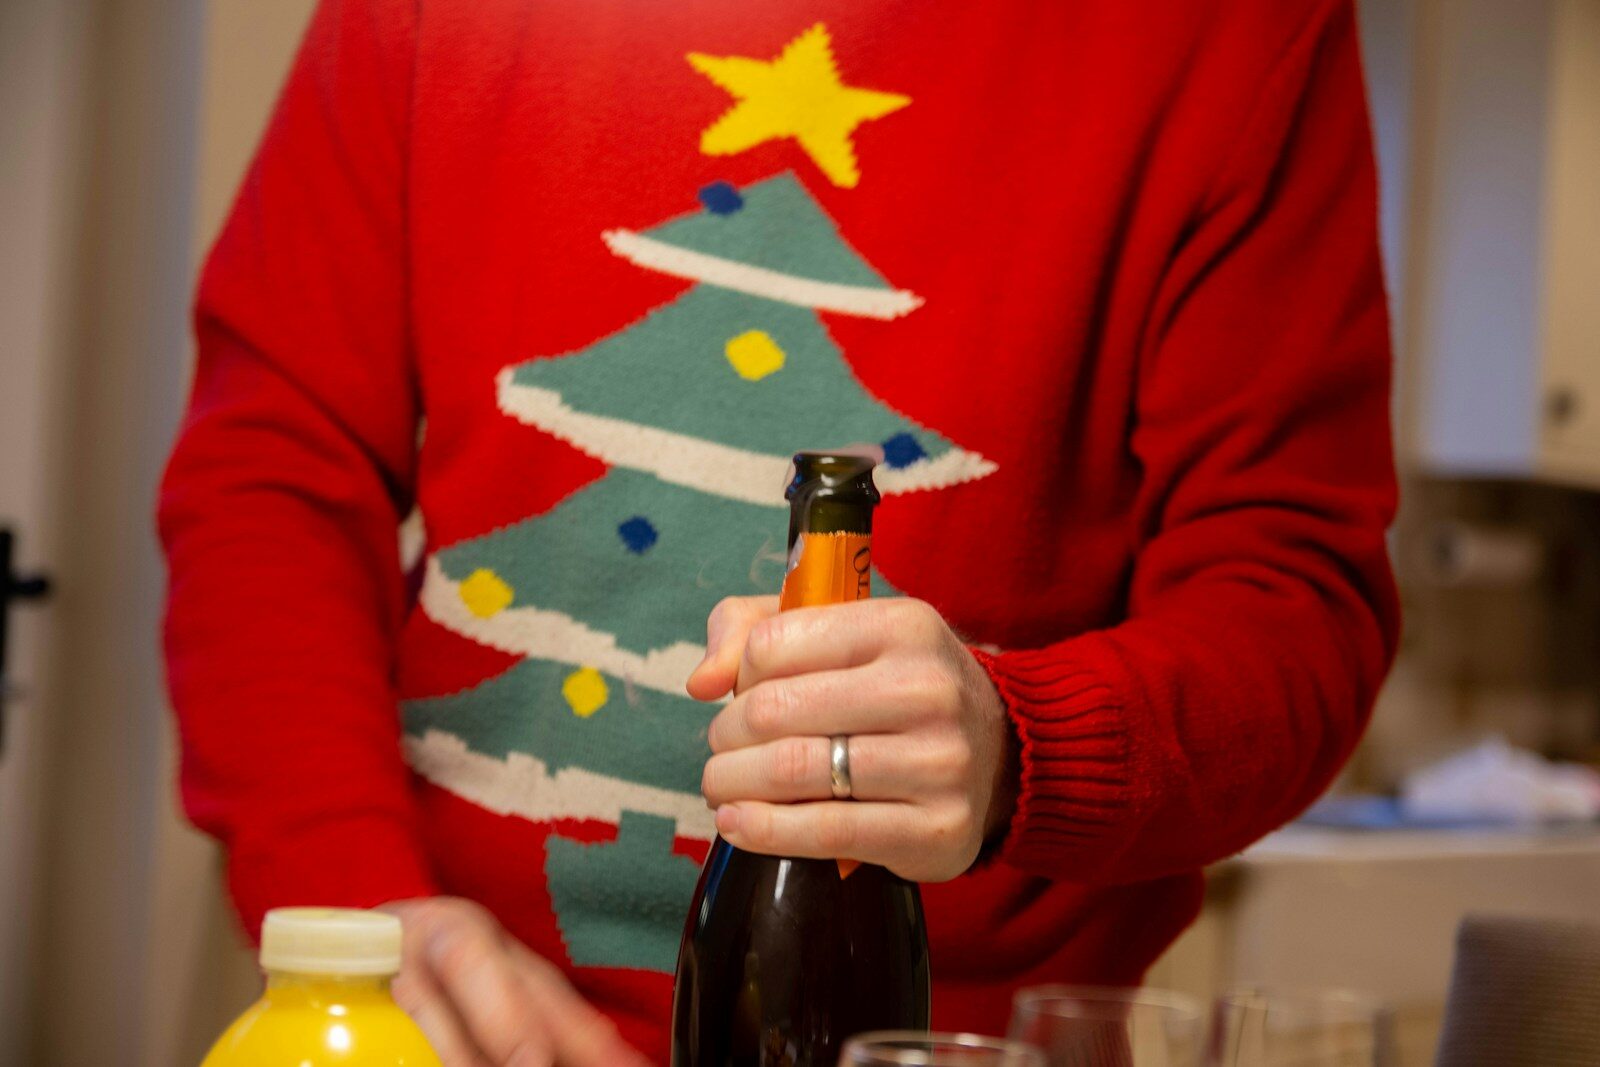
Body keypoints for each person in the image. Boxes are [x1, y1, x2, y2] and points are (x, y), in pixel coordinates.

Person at [159, 0, 1399, 1063]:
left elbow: (1294, 596)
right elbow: (268, 476)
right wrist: (358, 905)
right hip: (446, 1035)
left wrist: (1019, 746)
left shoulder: (1235, 29)